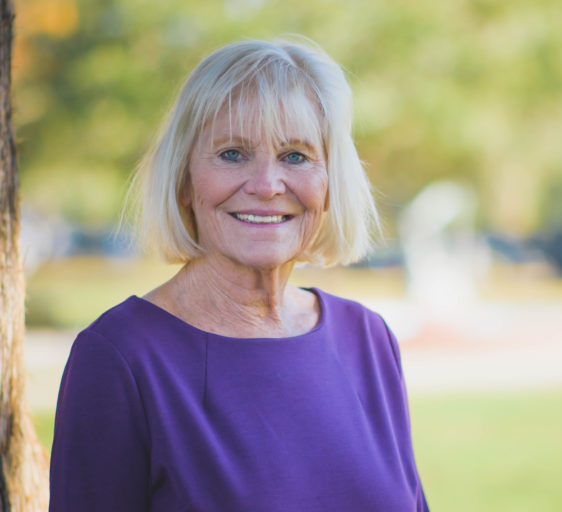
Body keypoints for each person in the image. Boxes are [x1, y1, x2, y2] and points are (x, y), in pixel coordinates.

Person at [49, 37, 429, 511]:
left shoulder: (368, 339)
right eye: (233, 153)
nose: (267, 185)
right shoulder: (121, 357)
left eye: (295, 156)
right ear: (184, 179)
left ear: (330, 182)